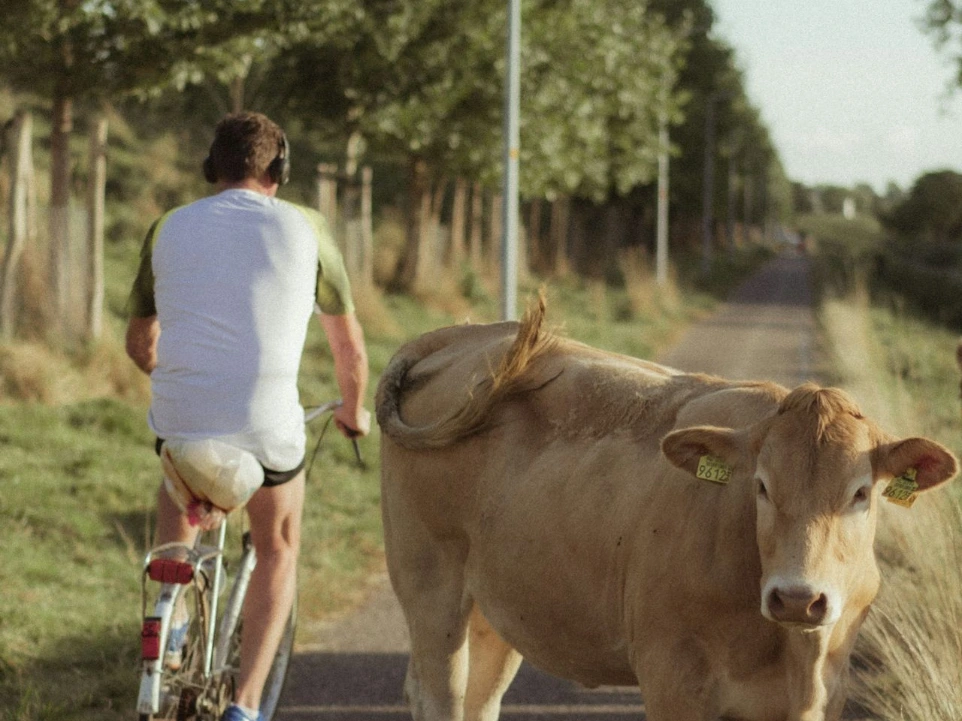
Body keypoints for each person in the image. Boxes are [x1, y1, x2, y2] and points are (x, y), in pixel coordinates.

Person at [125, 111, 371, 721]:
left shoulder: (167, 227)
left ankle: (170, 620)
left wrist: (186, 382)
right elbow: (350, 350)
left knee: (175, 490)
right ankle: (246, 705)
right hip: (267, 429)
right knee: (279, 544)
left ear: (213, 168)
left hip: (180, 420)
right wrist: (352, 410)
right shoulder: (307, 228)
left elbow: (138, 343)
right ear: (278, 170)